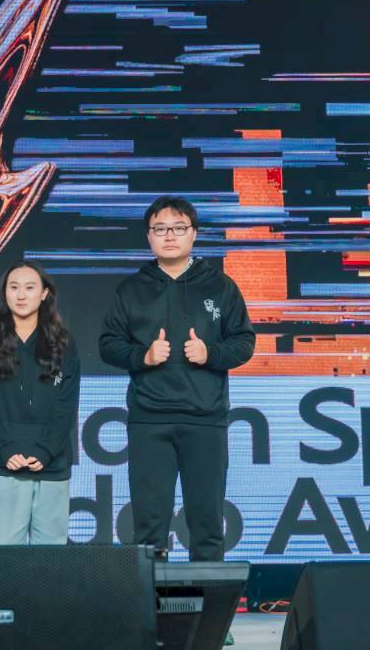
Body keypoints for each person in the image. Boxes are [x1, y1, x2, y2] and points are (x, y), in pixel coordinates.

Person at [99, 196, 256, 562]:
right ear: (149, 237)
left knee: (208, 524)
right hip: (149, 421)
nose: (169, 236)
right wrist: (143, 357)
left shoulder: (221, 287)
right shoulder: (131, 289)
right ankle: (151, 601)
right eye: (160, 229)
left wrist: (210, 353)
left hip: (205, 419)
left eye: (178, 228)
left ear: (193, 233)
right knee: (149, 528)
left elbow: (244, 342)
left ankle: (208, 603)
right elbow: (108, 345)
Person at [0, 261, 80, 546]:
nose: (21, 295)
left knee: (51, 554)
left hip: (52, 461)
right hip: (4, 461)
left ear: (44, 294)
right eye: (14, 287)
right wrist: (6, 449)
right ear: (5, 293)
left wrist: (46, 451)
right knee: (7, 554)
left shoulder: (63, 344)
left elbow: (67, 405)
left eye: (30, 288)